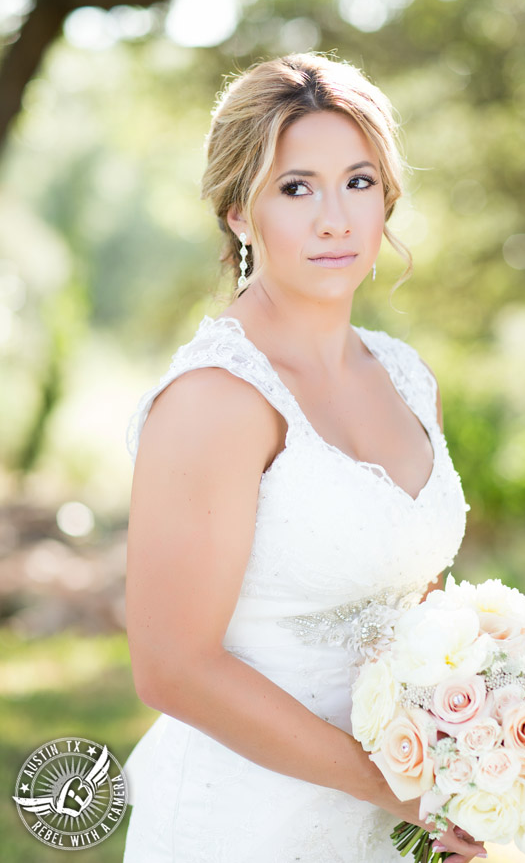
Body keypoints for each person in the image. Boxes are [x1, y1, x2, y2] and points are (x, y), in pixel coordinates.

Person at [121, 52, 484, 863]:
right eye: (296, 188)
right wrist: (399, 787)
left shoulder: (403, 376)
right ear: (238, 213)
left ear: (387, 195)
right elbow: (172, 667)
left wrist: (485, 749)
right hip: (247, 822)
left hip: (397, 819)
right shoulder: (217, 398)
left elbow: (415, 605)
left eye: (358, 182)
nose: (335, 219)